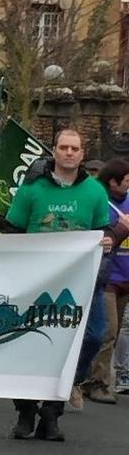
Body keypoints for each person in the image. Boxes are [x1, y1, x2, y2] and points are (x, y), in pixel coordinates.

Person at [0, 129, 115, 442]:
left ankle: (53, 405)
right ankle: (25, 409)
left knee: (93, 337)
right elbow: (12, 231)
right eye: (63, 147)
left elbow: (102, 232)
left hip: (82, 283)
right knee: (30, 344)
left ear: (82, 152)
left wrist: (107, 241)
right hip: (36, 281)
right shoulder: (32, 189)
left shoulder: (95, 191)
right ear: (54, 151)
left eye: (75, 148)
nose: (69, 153)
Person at [86, 159, 129, 404]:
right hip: (108, 278)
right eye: (126, 181)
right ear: (113, 181)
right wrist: (121, 230)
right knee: (108, 332)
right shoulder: (102, 203)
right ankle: (97, 383)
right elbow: (102, 240)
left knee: (118, 332)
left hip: (126, 277)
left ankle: (91, 378)